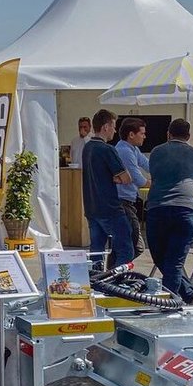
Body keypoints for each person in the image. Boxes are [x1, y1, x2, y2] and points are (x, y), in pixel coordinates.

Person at [146, 118, 193, 305]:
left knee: (161, 257)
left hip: (158, 207)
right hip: (186, 208)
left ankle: (170, 303)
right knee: (174, 260)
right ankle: (186, 295)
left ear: (168, 134)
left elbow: (156, 175)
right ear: (188, 136)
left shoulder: (156, 152)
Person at [83, 109, 133, 269]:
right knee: (126, 250)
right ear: (105, 127)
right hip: (110, 208)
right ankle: (117, 281)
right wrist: (115, 178)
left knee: (96, 252)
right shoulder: (107, 149)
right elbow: (126, 178)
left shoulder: (87, 148)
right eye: (113, 126)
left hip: (92, 207)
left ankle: (96, 281)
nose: (115, 130)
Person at [114, 117, 151, 259]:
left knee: (121, 246)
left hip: (127, 201)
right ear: (131, 134)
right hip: (122, 202)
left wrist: (163, 171)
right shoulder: (125, 151)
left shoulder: (133, 149)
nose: (144, 136)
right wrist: (162, 183)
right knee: (135, 246)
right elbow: (139, 180)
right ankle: (116, 273)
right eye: (142, 133)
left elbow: (148, 165)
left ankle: (112, 274)